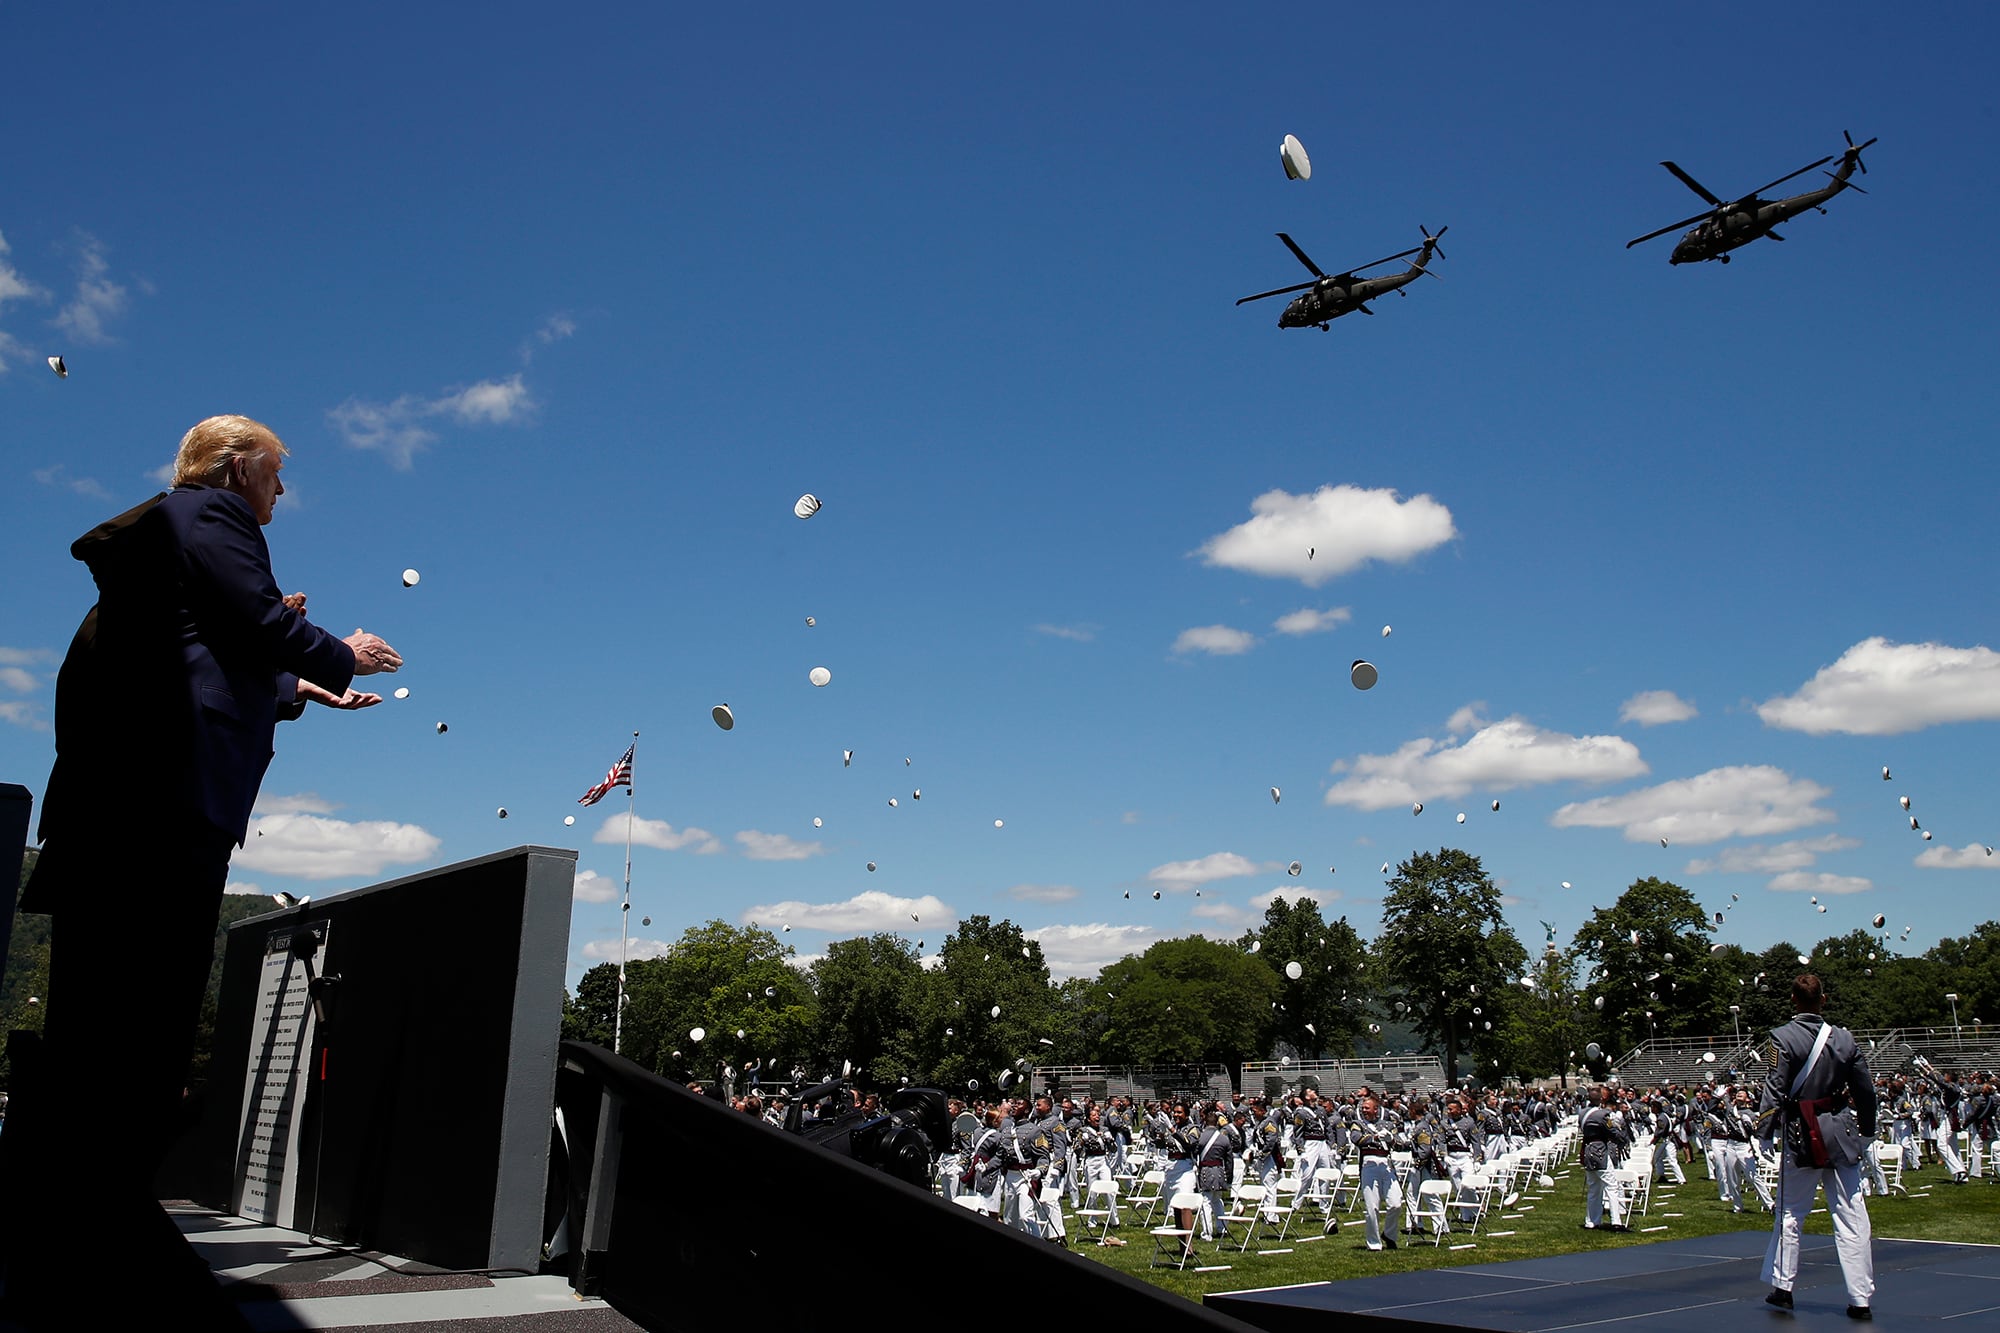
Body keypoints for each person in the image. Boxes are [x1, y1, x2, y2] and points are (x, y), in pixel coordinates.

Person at [0, 416, 401, 1330]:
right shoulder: (216, 519)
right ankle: (93, 1240)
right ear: (235, 467)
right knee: (138, 1032)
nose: (282, 493)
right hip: (165, 817)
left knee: (101, 1032)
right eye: (277, 474)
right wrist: (340, 652)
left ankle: (62, 1241)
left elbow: (203, 653)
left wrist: (300, 687)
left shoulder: (155, 552)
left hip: (117, 818)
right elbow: (254, 621)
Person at [1758, 973, 1876, 1320]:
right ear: (1823, 1000)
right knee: (1851, 1217)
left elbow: (1774, 1088)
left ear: (1793, 1001)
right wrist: (1866, 1130)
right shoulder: (1845, 1039)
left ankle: (1783, 1286)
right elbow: (1865, 1091)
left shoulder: (1780, 1038)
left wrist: (1764, 1131)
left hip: (1800, 1135)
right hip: (1839, 1133)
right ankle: (1860, 1297)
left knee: (1791, 1212)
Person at [1579, 1084, 1629, 1230]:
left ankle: (1592, 1221)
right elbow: (1612, 1132)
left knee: (1594, 1188)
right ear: (1601, 1099)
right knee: (1611, 1186)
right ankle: (1616, 1221)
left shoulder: (1582, 1113)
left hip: (1588, 1150)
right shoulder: (1602, 1114)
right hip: (1600, 1150)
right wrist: (1622, 1139)